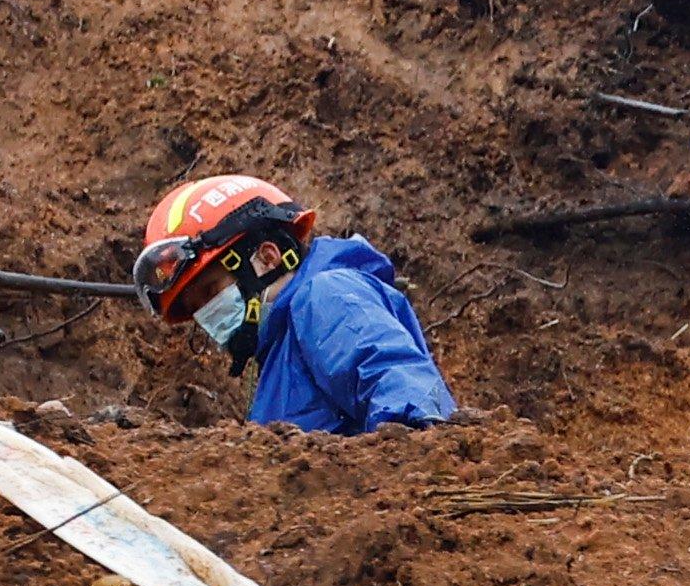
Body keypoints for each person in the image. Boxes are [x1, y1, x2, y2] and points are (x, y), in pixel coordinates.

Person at [134, 175, 455, 435]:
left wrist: (422, 442)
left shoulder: (326, 297)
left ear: (267, 258)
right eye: (195, 308)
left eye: (209, 291)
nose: (206, 313)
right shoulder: (279, 352)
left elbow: (410, 406)